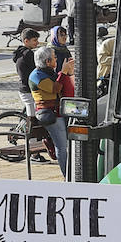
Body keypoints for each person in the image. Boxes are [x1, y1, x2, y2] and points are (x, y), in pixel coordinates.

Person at [28, 46, 75, 177]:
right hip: (50, 114)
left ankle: (72, 172)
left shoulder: (50, 73)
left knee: (69, 145)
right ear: (47, 61)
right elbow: (55, 89)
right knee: (62, 146)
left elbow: (68, 90)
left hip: (61, 111)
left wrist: (68, 72)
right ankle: (68, 175)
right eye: (54, 58)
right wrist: (63, 73)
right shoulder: (36, 76)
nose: (56, 60)